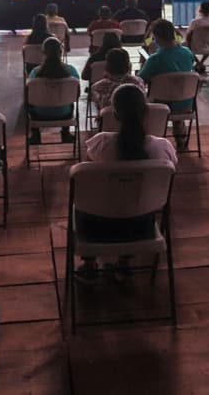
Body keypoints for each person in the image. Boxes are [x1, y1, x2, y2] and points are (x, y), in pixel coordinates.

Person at [77, 84, 178, 282]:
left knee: (83, 199)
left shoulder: (101, 144)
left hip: (95, 228)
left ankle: (89, 264)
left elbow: (86, 182)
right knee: (138, 200)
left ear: (114, 114)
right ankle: (124, 263)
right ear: (146, 111)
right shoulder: (162, 147)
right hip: (141, 227)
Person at [139, 19, 197, 130]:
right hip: (186, 103)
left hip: (160, 104)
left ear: (156, 36)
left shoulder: (154, 59)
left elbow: (141, 81)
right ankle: (181, 139)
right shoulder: (188, 53)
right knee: (175, 89)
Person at [27, 38, 79, 144]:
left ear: (44, 52)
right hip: (64, 114)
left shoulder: (35, 72)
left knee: (29, 104)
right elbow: (76, 95)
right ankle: (66, 134)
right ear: (61, 52)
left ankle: (36, 135)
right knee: (71, 104)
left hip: (39, 114)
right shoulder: (71, 71)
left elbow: (28, 96)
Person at [89, 48, 147, 112]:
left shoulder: (97, 87)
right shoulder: (138, 82)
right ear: (128, 65)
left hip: (109, 121)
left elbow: (99, 106)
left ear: (107, 66)